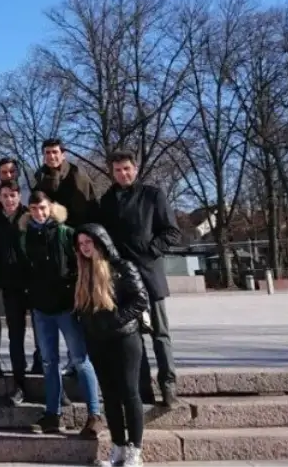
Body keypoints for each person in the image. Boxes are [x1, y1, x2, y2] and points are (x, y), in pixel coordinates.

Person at [96, 149, 183, 407]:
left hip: (149, 273)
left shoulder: (153, 196)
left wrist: (151, 251)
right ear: (112, 172)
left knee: (160, 333)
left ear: (135, 169)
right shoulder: (107, 201)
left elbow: (171, 232)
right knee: (132, 337)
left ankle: (168, 386)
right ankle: (142, 390)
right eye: (118, 170)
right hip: (124, 279)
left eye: (127, 169)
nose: (123, 174)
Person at [22, 191, 103, 437]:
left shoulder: (66, 233)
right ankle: (53, 414)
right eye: (34, 208)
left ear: (51, 208)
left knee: (80, 359)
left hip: (66, 306)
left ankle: (94, 413)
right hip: (41, 308)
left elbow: (80, 264)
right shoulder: (26, 236)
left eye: (43, 208)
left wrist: (76, 294)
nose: (39, 213)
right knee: (49, 362)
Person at [74, 223, 151, 467]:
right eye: (81, 244)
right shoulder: (82, 271)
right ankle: (117, 447)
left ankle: (134, 451)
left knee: (129, 392)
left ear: (101, 242)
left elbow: (140, 299)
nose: (85, 248)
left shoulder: (122, 267)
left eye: (89, 242)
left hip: (125, 338)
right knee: (109, 395)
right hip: (98, 341)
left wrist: (116, 320)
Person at [0, 180, 34, 404]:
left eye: (13, 195)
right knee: (16, 336)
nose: (9, 199)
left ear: (19, 196)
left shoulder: (31, 218)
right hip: (10, 287)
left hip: (36, 285)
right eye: (5, 195)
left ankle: (56, 387)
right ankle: (19, 384)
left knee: (45, 337)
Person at [32, 138, 99, 226]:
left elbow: (86, 210)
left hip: (77, 229)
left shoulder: (77, 176)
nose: (51, 156)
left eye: (55, 152)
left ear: (63, 155)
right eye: (47, 152)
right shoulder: (40, 177)